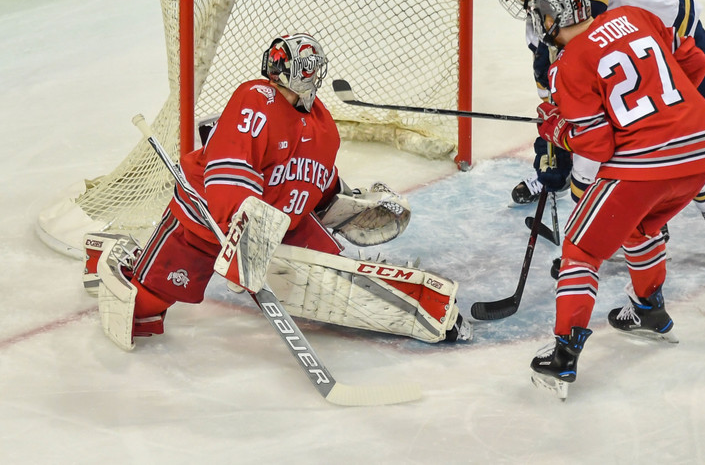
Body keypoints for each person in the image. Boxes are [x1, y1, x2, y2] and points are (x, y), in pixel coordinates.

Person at [88, 33, 471, 350]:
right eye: (302, 67)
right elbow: (229, 173)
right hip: (205, 224)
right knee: (142, 310)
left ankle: (428, 311)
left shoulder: (323, 124)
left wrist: (344, 204)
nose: (307, 75)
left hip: (285, 227)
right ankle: (113, 260)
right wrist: (242, 236)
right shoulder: (257, 99)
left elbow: (312, 180)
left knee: (346, 282)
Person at [477, 0, 705, 257]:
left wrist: (563, 123)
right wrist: (552, 152)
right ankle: (649, 219)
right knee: (626, 148)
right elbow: (554, 86)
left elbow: (589, 13)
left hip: (674, 37)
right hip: (630, 54)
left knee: (692, 144)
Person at [526, 0, 705, 398]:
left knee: (580, 248)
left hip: (645, 164)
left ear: (553, 18)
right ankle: (649, 310)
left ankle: (563, 357)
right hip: (698, 153)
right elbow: (696, 63)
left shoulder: (570, 64)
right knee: (639, 227)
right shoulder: (635, 16)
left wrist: (558, 130)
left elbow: (597, 144)